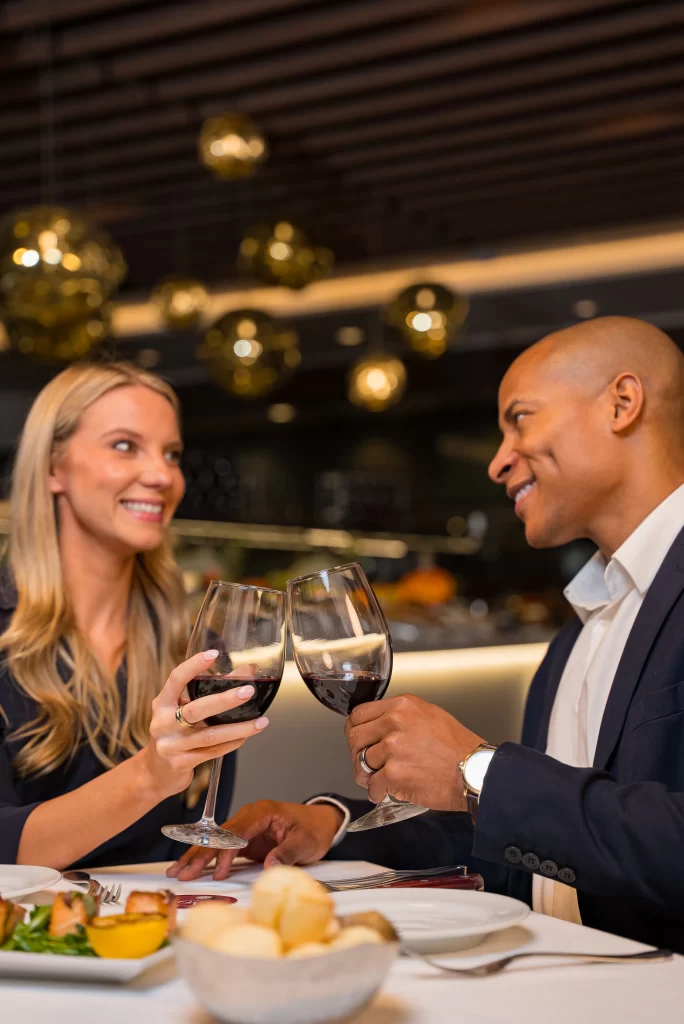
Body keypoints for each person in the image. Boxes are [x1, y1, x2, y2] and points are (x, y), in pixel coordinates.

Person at [171, 316, 684, 952]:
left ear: (622, 403)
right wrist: (330, 823)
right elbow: (544, 841)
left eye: (520, 419)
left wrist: (478, 771)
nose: (497, 462)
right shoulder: (575, 638)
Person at [0, 362, 269, 869]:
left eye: (172, 454)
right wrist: (148, 775)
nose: (162, 476)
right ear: (53, 468)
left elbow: (190, 844)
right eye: (125, 446)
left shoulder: (193, 647)